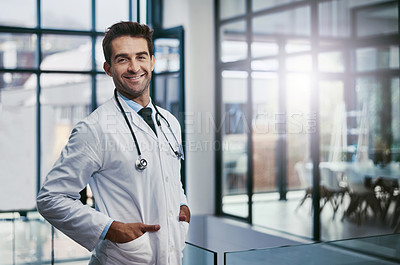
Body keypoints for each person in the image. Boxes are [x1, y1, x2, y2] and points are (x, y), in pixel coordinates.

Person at [36, 21, 190, 265]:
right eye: (122, 59)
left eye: (141, 56)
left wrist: (182, 204)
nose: (134, 67)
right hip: (123, 259)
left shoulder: (170, 122)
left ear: (152, 61)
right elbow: (51, 198)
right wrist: (110, 228)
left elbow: (170, 176)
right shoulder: (94, 130)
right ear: (108, 68)